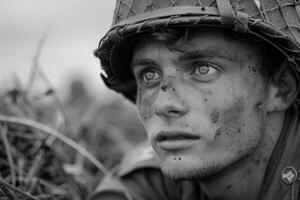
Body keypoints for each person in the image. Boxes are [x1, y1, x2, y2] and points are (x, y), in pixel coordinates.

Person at [89, 0, 300, 199]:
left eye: (203, 69)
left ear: (281, 88)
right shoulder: (156, 174)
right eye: (149, 75)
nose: (163, 104)